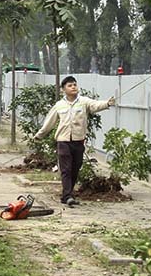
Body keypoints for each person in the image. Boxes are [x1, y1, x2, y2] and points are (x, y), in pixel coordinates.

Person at [33, 76, 116, 206]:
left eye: (75, 85)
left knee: (75, 168)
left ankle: (66, 194)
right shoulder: (59, 105)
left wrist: (107, 103)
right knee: (66, 169)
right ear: (63, 90)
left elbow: (95, 105)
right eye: (70, 86)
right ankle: (68, 196)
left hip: (78, 141)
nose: (73, 87)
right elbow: (50, 121)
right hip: (63, 141)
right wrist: (40, 135)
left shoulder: (83, 102)